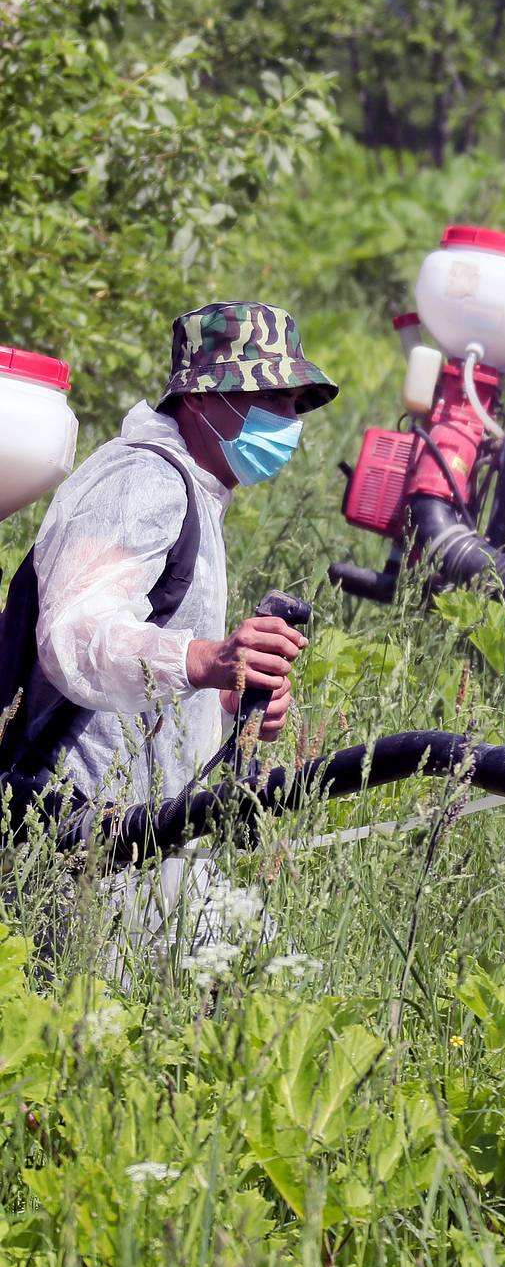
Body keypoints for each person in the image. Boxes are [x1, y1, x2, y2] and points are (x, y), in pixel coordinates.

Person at [16, 301, 336, 978]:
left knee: (261, 986)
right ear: (202, 395)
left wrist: (225, 703)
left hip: (146, 843)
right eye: (267, 396)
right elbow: (78, 634)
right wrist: (207, 659)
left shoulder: (193, 490)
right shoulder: (143, 481)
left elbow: (144, 659)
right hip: (83, 845)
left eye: (294, 402)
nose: (285, 418)